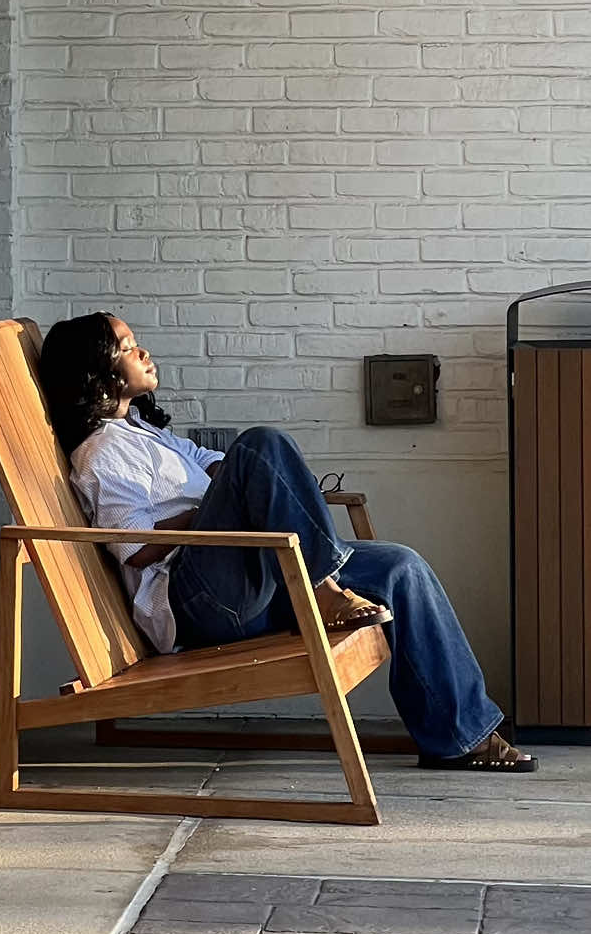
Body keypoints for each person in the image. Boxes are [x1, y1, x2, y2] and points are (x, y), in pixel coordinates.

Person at [36, 311, 535, 775]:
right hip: (198, 602)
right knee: (260, 444)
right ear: (100, 374)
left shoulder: (143, 431)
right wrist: (215, 511)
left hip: (246, 577)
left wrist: (246, 491)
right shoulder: (101, 451)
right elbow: (135, 546)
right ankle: (322, 584)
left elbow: (214, 462)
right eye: (127, 347)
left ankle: (460, 737)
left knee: (400, 567)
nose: (144, 352)